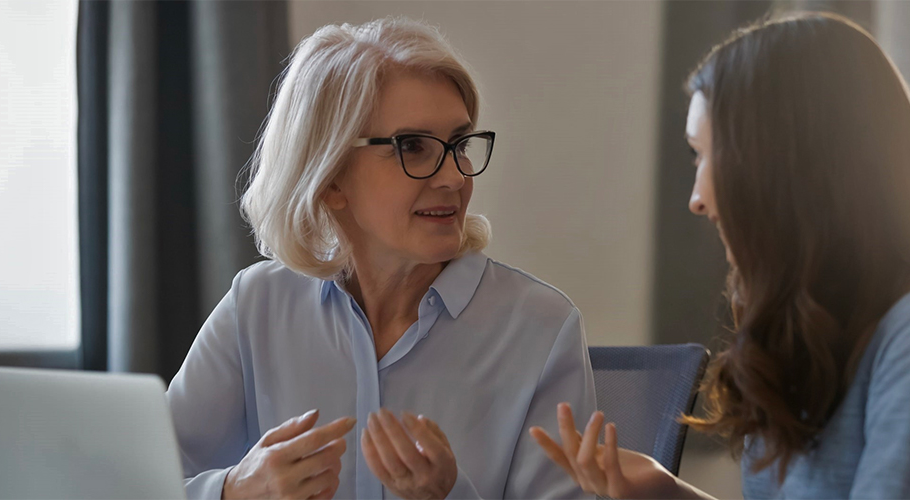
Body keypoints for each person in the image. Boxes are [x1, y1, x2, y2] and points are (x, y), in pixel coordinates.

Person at [531, 12, 910, 499]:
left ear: (783, 166)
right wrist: (669, 494)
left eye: (707, 155)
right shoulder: (805, 331)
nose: (697, 199)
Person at [166, 17, 596, 500]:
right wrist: (233, 490)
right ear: (329, 178)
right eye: (412, 147)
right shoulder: (256, 305)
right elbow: (135, 481)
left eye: (458, 144)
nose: (455, 177)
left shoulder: (542, 328)